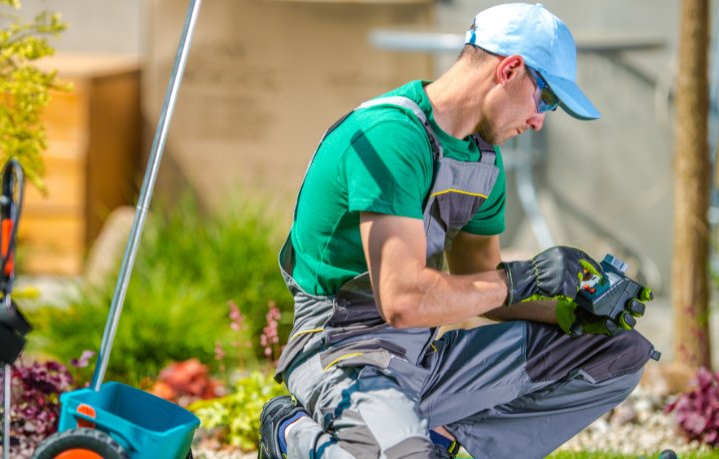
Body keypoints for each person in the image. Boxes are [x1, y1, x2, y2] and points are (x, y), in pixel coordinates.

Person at [258, 3, 658, 458]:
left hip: (423, 359)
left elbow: (483, 285)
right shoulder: (391, 137)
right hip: (342, 352)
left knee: (619, 352)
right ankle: (289, 433)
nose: (540, 119)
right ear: (510, 69)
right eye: (544, 99)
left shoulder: (482, 162)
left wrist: (572, 311)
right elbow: (404, 301)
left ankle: (434, 438)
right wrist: (522, 277)